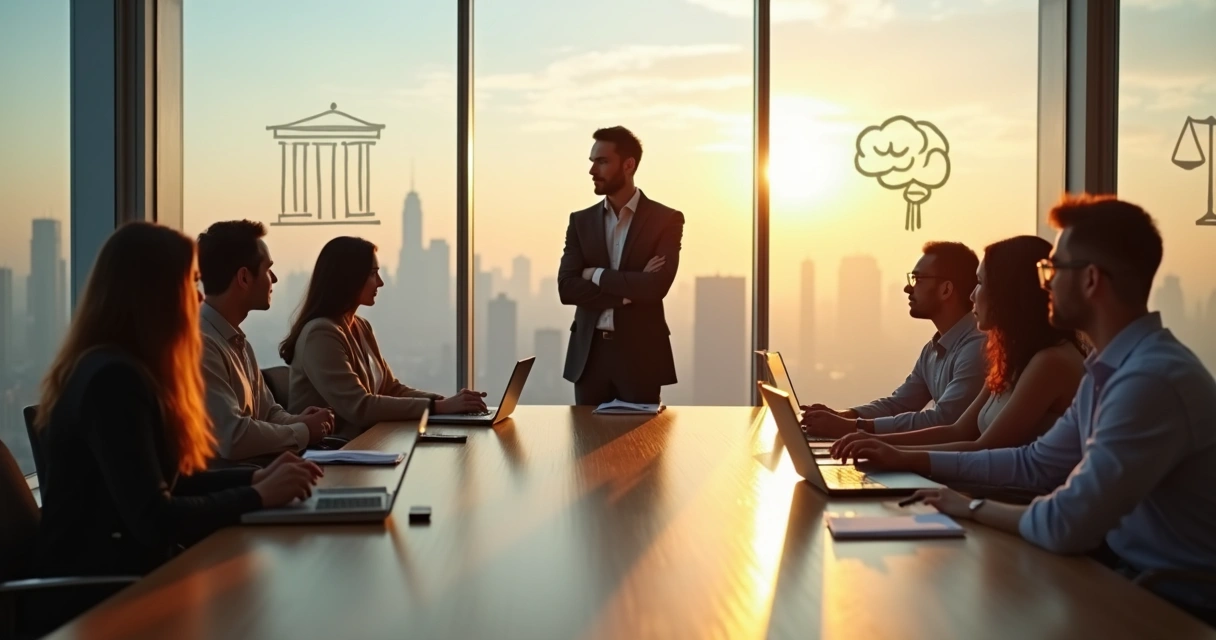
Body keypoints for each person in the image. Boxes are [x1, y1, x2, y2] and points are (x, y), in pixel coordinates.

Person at [901, 196, 1216, 624]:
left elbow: (1065, 523)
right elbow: (1037, 464)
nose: (1044, 284)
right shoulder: (1109, 369)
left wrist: (965, 506)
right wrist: (920, 469)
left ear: (1090, 280)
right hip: (1125, 578)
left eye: (1053, 269)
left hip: (1173, 606)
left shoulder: (1150, 381)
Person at [27, 222, 321, 635]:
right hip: (102, 605)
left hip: (131, 582)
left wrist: (257, 476)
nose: (200, 297)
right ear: (156, 294)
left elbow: (170, 483)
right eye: (193, 283)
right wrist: (256, 495)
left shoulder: (117, 368)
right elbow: (155, 519)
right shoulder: (114, 381)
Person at [830, 236, 1087, 466]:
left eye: (980, 283)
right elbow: (957, 430)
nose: (972, 295)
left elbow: (984, 448)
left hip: (1017, 501)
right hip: (992, 492)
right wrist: (872, 441)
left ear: (1008, 293)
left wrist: (891, 450)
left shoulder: (1049, 362)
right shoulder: (1011, 358)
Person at [280, 236, 487, 438]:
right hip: (330, 455)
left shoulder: (361, 327)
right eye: (373, 274)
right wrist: (439, 407)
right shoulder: (320, 334)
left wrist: (447, 402)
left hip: (367, 445)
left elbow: (391, 388)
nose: (380, 283)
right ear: (349, 277)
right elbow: (360, 407)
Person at [803, 241, 986, 437]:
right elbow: (900, 403)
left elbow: (944, 419)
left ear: (946, 290)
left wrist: (853, 427)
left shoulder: (977, 347)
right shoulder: (933, 349)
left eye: (918, 279)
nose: (908, 288)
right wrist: (844, 416)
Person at [559, 126, 685, 405]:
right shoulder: (580, 222)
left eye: (602, 161)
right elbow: (567, 288)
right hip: (590, 358)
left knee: (642, 448)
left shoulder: (666, 220)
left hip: (641, 357)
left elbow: (656, 287)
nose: (592, 170)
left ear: (629, 165)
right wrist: (629, 291)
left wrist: (595, 274)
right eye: (592, 161)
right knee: (586, 444)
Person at [197, 220, 334, 463]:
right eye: (268, 269)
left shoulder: (238, 343)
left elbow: (267, 414)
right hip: (232, 489)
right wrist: (303, 431)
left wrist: (300, 421)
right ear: (244, 278)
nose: (275, 278)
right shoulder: (202, 345)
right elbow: (233, 437)